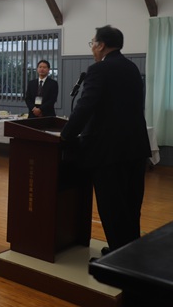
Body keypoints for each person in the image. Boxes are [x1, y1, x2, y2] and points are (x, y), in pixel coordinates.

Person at [61, 25, 150, 253]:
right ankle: (128, 252)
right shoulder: (132, 68)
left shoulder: (99, 69)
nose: (92, 48)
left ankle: (117, 260)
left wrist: (65, 135)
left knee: (112, 207)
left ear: (101, 45)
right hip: (136, 147)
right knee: (131, 205)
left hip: (108, 151)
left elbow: (85, 106)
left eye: (93, 43)